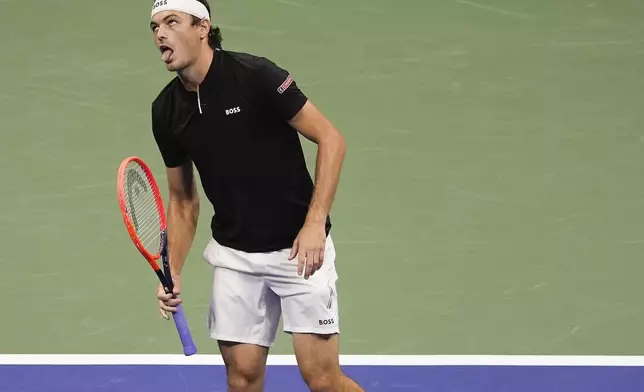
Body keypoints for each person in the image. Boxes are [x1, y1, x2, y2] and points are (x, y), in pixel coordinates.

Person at [148, 0, 364, 391]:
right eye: (155, 27)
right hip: (235, 255)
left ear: (202, 27)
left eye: (171, 22)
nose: (160, 34)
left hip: (298, 251)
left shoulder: (256, 76)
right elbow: (182, 199)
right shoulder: (165, 110)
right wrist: (173, 268)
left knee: (323, 380)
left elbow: (331, 139)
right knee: (242, 380)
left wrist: (315, 224)